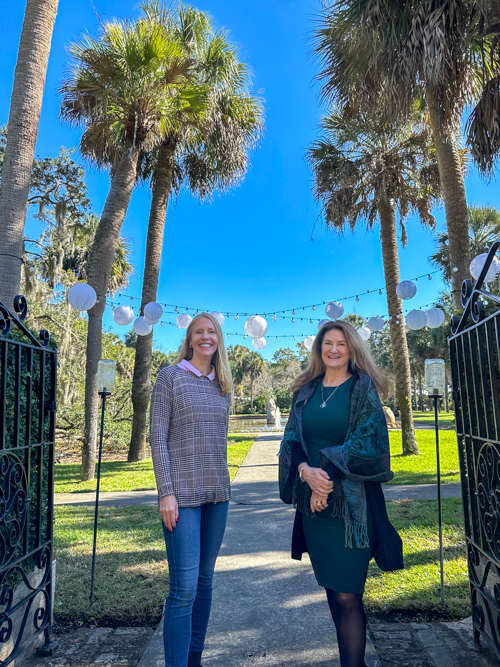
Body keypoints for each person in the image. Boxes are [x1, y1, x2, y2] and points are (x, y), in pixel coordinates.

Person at [279, 320, 403, 667]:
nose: (334, 349)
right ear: (319, 349)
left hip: (352, 509)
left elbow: (368, 443)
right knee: (334, 590)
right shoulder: (306, 389)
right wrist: (306, 473)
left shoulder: (362, 389)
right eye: (327, 343)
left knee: (349, 593)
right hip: (315, 509)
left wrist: (326, 480)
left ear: (352, 349)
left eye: (341, 344)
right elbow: (291, 441)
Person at [150, 313, 232, 667]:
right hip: (181, 496)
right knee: (183, 589)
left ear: (218, 340)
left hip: (218, 494)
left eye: (211, 332)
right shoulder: (170, 377)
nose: (205, 337)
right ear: (189, 338)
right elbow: (157, 439)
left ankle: (194, 658)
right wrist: (166, 492)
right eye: (198, 332)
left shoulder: (223, 384)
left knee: (205, 582)